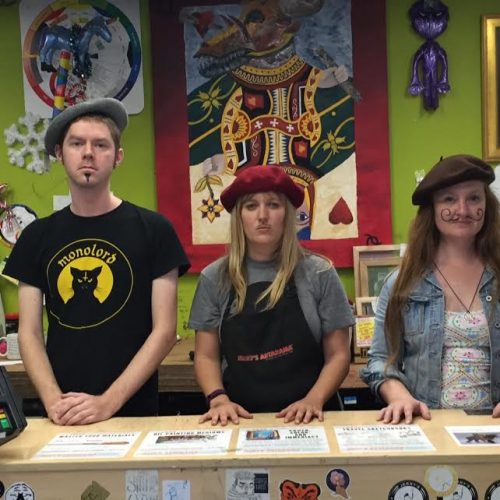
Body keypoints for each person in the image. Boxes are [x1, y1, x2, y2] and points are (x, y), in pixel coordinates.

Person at [4, 98, 190, 425]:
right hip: (63, 413)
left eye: (100, 144)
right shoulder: (35, 237)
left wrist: (106, 403)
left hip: (135, 414)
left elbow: (164, 331)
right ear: (60, 154)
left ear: (117, 157)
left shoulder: (155, 230)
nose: (88, 152)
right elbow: (30, 333)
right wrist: (53, 402)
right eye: (77, 143)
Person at [188, 165, 353, 426]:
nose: (262, 215)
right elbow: (206, 355)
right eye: (251, 206)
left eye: (273, 205)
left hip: (310, 418)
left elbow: (339, 355)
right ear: (238, 216)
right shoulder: (214, 278)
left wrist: (313, 400)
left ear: (287, 215)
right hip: (238, 418)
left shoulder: (319, 273)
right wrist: (218, 399)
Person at [361, 154, 500, 424]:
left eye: (474, 198)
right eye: (449, 199)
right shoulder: (402, 283)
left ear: (487, 205)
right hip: (427, 425)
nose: (463, 209)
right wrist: (399, 397)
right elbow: (380, 361)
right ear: (432, 209)